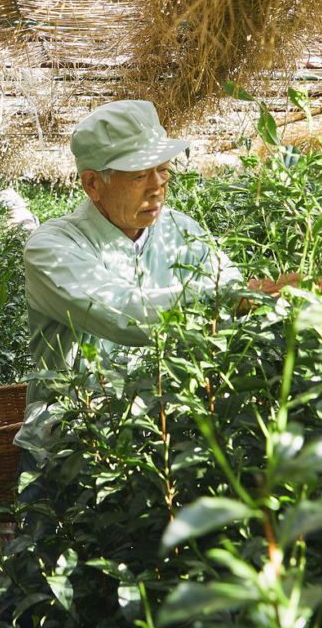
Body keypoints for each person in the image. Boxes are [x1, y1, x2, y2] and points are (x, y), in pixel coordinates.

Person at [17, 100, 298, 476]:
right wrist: (231, 296)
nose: (157, 187)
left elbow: (230, 288)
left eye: (163, 170)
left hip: (168, 436)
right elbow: (123, 314)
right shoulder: (52, 247)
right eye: (138, 176)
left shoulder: (181, 230)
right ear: (93, 184)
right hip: (73, 445)